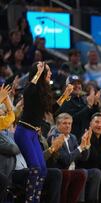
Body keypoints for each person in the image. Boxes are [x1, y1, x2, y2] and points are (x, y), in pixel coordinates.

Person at [14, 61, 73, 203]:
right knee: (35, 168)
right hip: (24, 132)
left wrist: (65, 95)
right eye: (48, 71)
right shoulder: (31, 89)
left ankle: (36, 200)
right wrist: (38, 73)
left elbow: (52, 110)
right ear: (39, 72)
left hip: (34, 134)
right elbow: (27, 92)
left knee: (43, 170)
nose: (51, 73)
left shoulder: (43, 90)